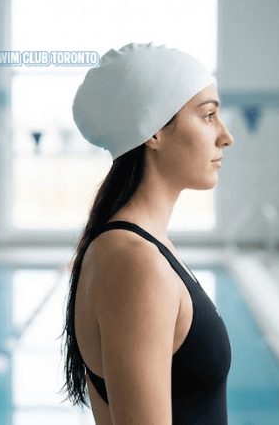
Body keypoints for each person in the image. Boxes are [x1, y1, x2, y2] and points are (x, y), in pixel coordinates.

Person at [61, 42, 234, 425]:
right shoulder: (135, 263)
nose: (225, 136)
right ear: (153, 130)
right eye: (208, 116)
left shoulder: (138, 248)